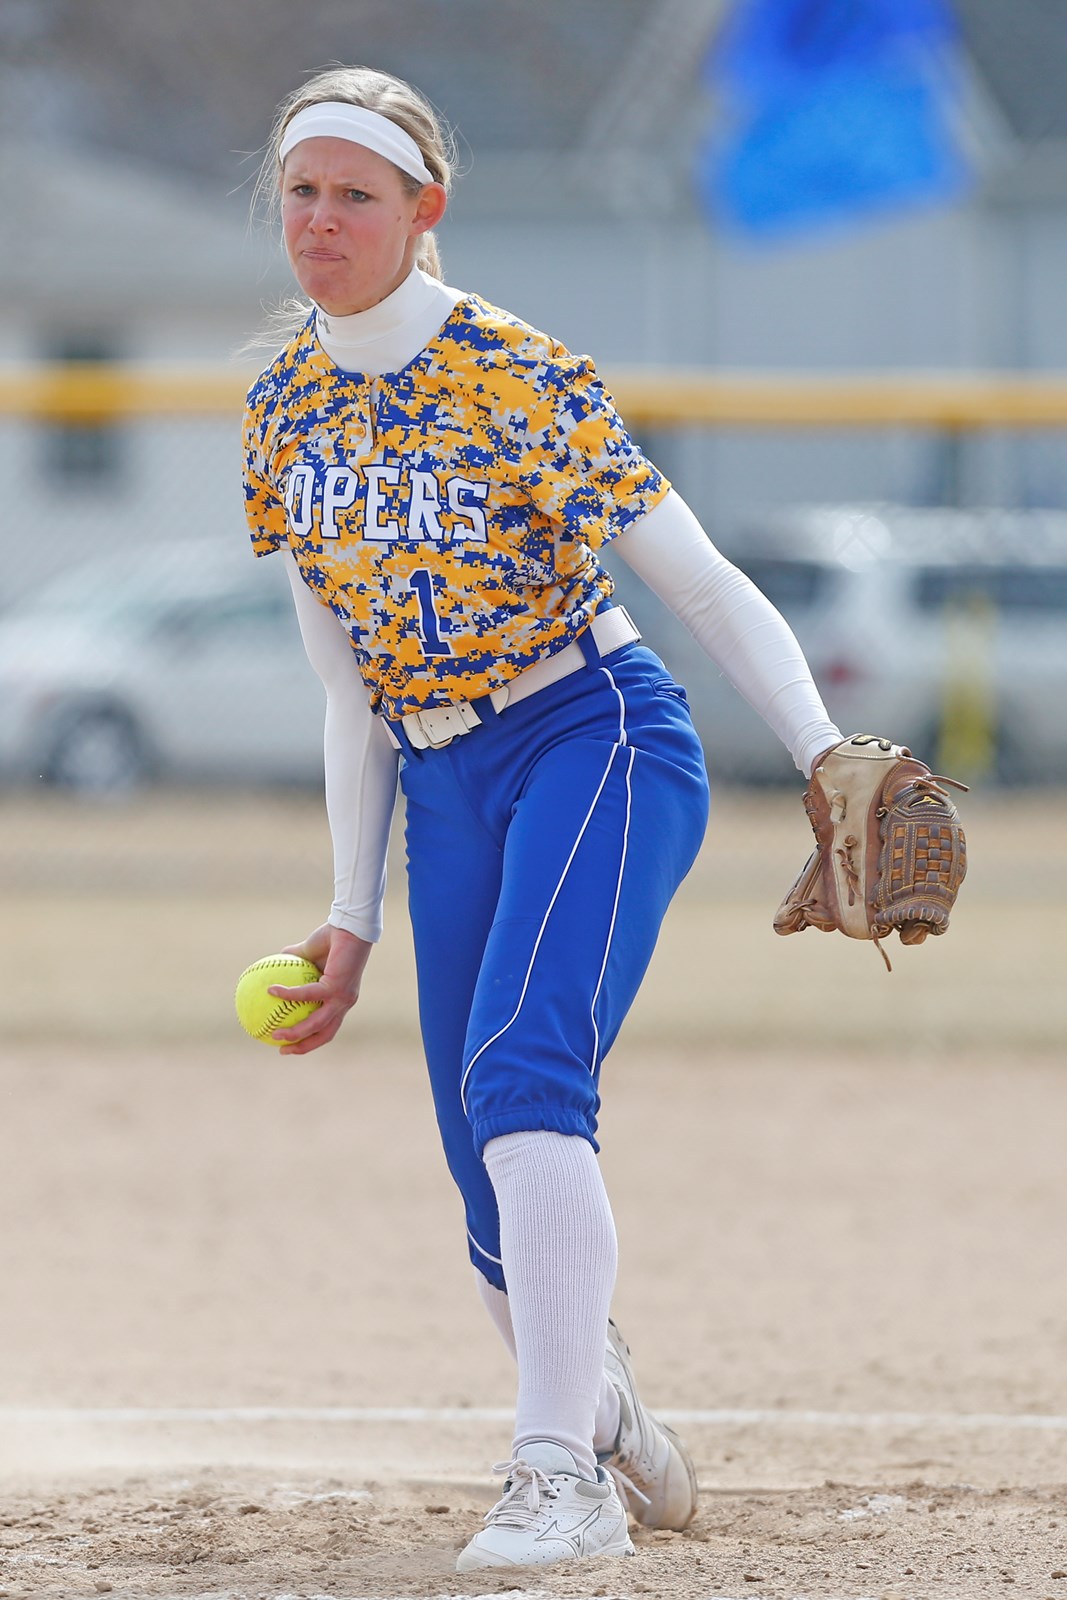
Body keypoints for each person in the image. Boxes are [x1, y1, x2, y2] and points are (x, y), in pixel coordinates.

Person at [242, 63, 843, 1574]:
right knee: (480, 1171)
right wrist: (352, 911)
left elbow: (702, 583)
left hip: (593, 733)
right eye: (302, 191)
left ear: (423, 210)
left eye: (356, 193)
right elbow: (346, 686)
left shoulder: (517, 372)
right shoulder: (282, 409)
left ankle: (556, 1477)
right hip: (439, 777)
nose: (321, 220)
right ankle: (611, 1416)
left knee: (522, 1076)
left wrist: (826, 755)